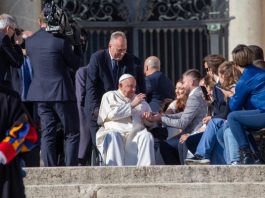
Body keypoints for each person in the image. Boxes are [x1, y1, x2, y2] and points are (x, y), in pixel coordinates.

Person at [25, 12, 81, 166]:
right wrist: (77, 45)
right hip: (61, 93)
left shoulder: (30, 41)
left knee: (47, 133)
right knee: (71, 132)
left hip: (40, 94)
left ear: (38, 22)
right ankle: (71, 169)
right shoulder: (60, 41)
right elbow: (75, 64)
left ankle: (50, 170)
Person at [82, 31, 146, 165]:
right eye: (119, 50)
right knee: (104, 145)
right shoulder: (97, 58)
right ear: (110, 46)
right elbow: (91, 87)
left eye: (124, 50)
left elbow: (140, 88)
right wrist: (95, 110)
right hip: (99, 110)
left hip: (125, 114)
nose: (122, 53)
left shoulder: (133, 61)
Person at [147, 69, 208, 164]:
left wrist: (161, 118)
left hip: (193, 134)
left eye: (184, 82)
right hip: (193, 133)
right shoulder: (198, 93)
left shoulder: (194, 96)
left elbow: (182, 123)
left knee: (165, 146)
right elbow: (184, 114)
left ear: (192, 82)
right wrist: (164, 115)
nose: (183, 86)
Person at [96, 74, 155, 166]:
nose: (134, 90)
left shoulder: (140, 100)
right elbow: (112, 114)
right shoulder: (109, 96)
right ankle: (115, 173)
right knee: (113, 136)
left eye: (135, 87)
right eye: (130, 86)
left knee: (147, 136)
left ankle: (145, 172)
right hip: (115, 132)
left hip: (135, 134)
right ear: (120, 85)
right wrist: (132, 105)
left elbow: (150, 122)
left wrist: (149, 119)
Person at [225, 44, 265, 164]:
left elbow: (234, 107)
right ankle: (256, 156)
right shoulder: (261, 72)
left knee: (233, 118)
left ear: (235, 64)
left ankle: (246, 152)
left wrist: (230, 96)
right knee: (241, 125)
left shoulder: (244, 80)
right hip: (260, 113)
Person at [0, 85, 38, 198]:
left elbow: (28, 134)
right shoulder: (10, 98)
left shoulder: (10, 99)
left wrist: (3, 153)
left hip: (7, 176)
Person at [0, 13, 23, 87]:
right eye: (13, 29)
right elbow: (17, 62)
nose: (13, 33)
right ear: (7, 28)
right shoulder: (4, 38)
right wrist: (17, 44)